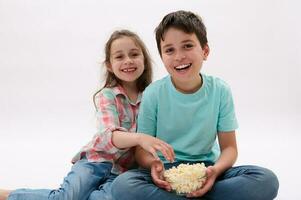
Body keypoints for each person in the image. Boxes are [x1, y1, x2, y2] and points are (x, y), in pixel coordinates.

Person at [110, 10, 279, 200]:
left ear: (205, 51)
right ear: (162, 56)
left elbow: (230, 148)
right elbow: (141, 150)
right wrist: (153, 165)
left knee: (266, 180)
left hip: (206, 170)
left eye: (187, 46)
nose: (179, 56)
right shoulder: (153, 93)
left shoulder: (220, 90)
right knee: (123, 186)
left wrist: (216, 171)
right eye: (169, 50)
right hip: (166, 173)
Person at [0, 29, 174, 200]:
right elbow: (108, 136)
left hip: (123, 170)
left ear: (144, 60)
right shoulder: (107, 95)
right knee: (66, 197)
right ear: (109, 66)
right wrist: (139, 138)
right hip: (96, 161)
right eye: (119, 57)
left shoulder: (152, 97)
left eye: (134, 54)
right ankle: (8, 195)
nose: (128, 61)